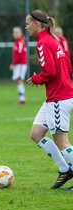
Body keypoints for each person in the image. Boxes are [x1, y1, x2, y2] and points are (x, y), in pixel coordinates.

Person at [26, 10, 73, 190]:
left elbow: (51, 72)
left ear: (37, 24)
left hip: (58, 99)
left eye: (28, 23)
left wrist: (36, 78)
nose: (26, 26)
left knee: (62, 142)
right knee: (36, 134)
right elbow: (68, 66)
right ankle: (65, 170)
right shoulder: (54, 40)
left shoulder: (44, 43)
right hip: (56, 97)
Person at [9, 27, 27, 104]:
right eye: (14, 33)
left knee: (19, 80)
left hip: (20, 64)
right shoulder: (16, 42)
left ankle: (22, 99)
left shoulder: (20, 42)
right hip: (18, 64)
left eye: (17, 32)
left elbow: (20, 55)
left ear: (20, 33)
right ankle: (21, 98)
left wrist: (14, 64)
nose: (15, 34)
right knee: (18, 80)